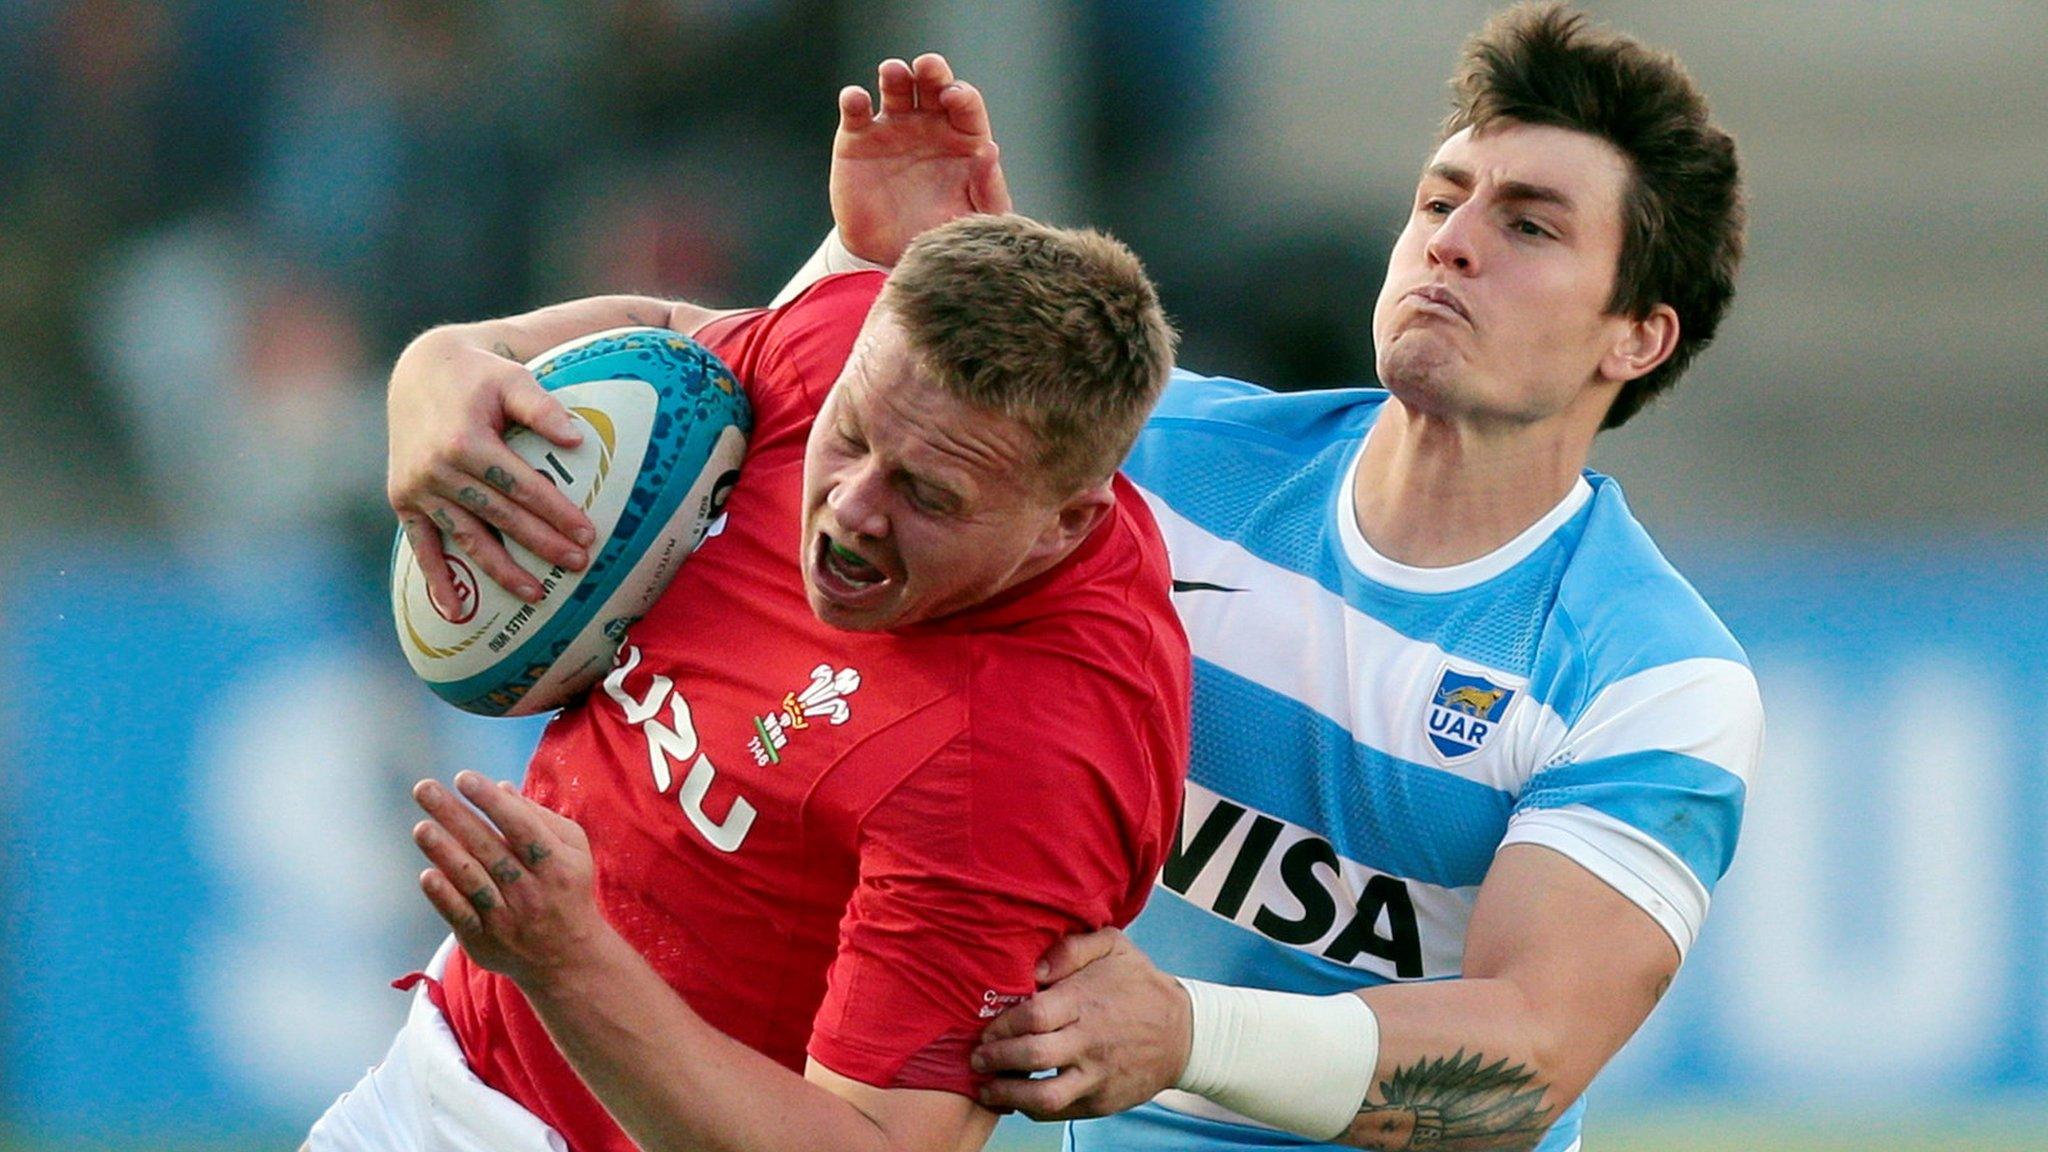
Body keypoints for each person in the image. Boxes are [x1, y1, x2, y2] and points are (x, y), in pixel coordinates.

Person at [778, 7, 1757, 1152]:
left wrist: (1190, 1037)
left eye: (1529, 227)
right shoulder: (1156, 460)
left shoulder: (1648, 675)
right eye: (1440, 201)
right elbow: (787, 462)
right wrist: (858, 268)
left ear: (1635, 336)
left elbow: (1524, 1060)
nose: (1450, 241)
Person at [307, 61, 1190, 1152]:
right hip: (437, 1073)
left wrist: (568, 960)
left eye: (926, 494)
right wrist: (444, 369)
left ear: (1064, 523)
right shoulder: (853, 350)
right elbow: (669, 343)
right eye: (854, 439)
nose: (849, 507)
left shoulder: (1015, 762)